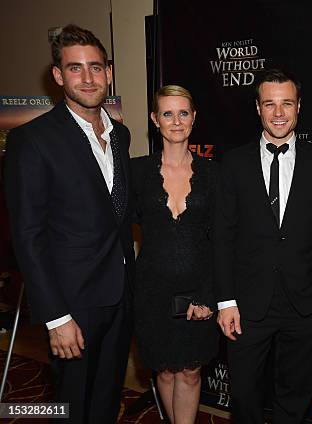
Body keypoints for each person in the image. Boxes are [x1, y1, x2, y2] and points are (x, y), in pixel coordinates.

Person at [4, 24, 133, 422]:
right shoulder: (33, 139)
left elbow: (116, 216)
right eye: (75, 68)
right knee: (73, 407)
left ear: (108, 72)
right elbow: (27, 235)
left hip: (120, 295)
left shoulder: (121, 135)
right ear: (58, 76)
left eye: (96, 67)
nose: (88, 77)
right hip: (72, 303)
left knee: (106, 401)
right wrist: (56, 316)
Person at [214, 69, 312, 423]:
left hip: (305, 301)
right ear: (258, 108)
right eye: (270, 104)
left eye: (286, 103)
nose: (279, 112)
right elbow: (222, 236)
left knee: (296, 393)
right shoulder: (234, 163)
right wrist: (225, 300)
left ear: (299, 106)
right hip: (248, 302)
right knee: (244, 394)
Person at [131, 85, 218, 424]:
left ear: (194, 119)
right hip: (152, 292)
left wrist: (209, 294)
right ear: (155, 119)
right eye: (167, 113)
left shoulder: (213, 174)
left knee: (192, 372)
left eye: (183, 113)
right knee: (165, 373)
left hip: (198, 291)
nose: (176, 121)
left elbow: (222, 241)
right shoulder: (137, 172)